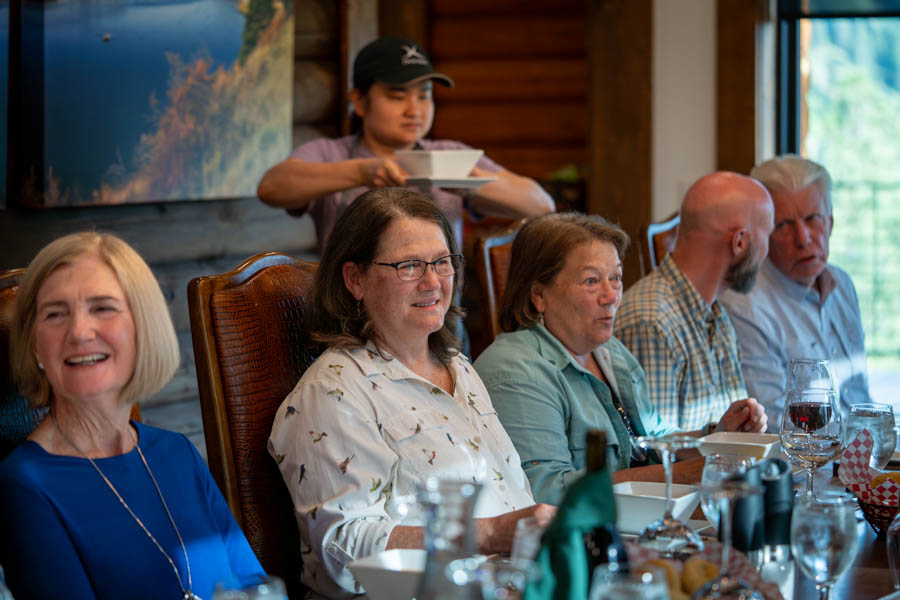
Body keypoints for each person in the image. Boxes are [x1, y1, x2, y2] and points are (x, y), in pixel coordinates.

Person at [268, 188, 555, 598]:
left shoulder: (459, 367)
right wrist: (489, 534)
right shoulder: (331, 393)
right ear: (355, 279)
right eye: (408, 266)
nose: (433, 282)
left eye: (442, 262)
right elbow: (345, 553)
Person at [0, 232, 265, 600]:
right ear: (34, 344)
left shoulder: (176, 452)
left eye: (103, 307)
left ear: (143, 328)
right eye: (55, 313)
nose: (79, 332)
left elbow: (256, 586)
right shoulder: (25, 485)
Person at [473, 213, 767, 505]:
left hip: (637, 522)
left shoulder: (608, 351)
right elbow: (548, 494)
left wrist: (716, 436)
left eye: (615, 278)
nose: (611, 295)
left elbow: (651, 440)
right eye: (591, 281)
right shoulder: (515, 370)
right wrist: (694, 472)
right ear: (538, 294)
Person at [257, 36, 554, 250]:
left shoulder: (449, 154)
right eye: (397, 97)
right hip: (347, 327)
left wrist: (467, 181)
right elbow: (272, 187)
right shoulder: (329, 153)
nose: (414, 110)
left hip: (440, 327)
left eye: (424, 96)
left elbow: (540, 205)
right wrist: (362, 172)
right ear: (359, 102)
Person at [613, 172, 774, 431]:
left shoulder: (715, 314)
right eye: (768, 235)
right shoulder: (651, 323)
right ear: (740, 242)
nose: (768, 251)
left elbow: (724, 442)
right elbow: (657, 458)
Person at [720, 156, 870, 429]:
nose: (803, 239)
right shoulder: (744, 306)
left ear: (831, 223)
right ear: (762, 233)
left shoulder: (843, 284)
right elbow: (778, 424)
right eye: (784, 225)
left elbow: (860, 396)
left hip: (860, 457)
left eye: (813, 219)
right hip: (807, 464)